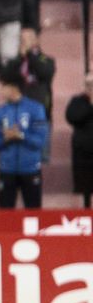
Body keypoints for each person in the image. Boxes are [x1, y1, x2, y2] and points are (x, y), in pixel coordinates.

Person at [0, 68, 47, 208]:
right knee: (5, 214)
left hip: (31, 169)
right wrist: (6, 138)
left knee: (33, 213)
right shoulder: (0, 112)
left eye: (2, 86)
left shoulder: (36, 109)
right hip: (6, 170)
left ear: (13, 87)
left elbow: (40, 141)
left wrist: (20, 135)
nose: (0, 90)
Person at [66, 74, 93, 206]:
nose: (90, 88)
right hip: (83, 151)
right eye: (88, 85)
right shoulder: (77, 101)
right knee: (85, 185)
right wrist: (90, 105)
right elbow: (72, 117)